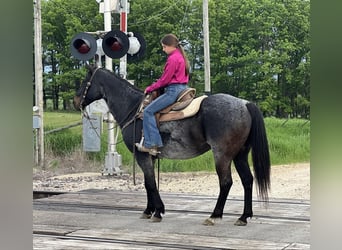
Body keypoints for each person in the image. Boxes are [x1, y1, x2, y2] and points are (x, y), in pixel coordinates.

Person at [135, 34, 190, 156]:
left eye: (164, 47)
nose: (163, 49)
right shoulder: (181, 56)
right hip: (182, 88)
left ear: (171, 46)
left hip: (173, 91)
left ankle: (151, 144)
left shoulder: (173, 59)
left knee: (148, 111)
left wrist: (150, 88)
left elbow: (165, 80)